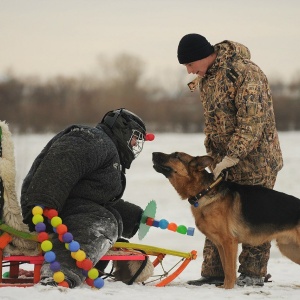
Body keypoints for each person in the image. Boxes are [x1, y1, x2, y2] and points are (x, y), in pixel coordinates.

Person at [177, 34, 283, 287]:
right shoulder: (208, 80)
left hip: (257, 161)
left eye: (191, 65)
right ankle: (214, 272)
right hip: (223, 163)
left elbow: (251, 122)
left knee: (255, 216)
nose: (190, 71)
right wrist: (213, 157)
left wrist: (233, 155)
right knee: (213, 212)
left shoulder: (245, 73)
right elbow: (214, 125)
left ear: (203, 56)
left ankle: (252, 274)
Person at [20, 108, 154, 288]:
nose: (135, 144)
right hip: (48, 208)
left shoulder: (108, 151)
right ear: (123, 130)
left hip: (72, 208)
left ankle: (84, 270)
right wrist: (44, 200)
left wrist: (133, 218)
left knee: (107, 219)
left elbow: (98, 199)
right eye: (134, 137)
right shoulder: (92, 139)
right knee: (103, 222)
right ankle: (58, 275)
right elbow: (63, 161)